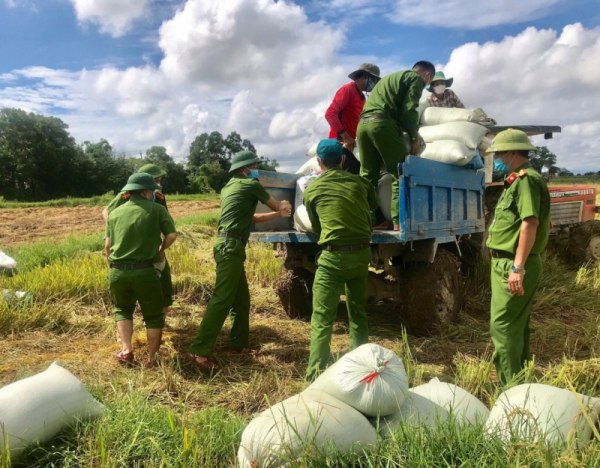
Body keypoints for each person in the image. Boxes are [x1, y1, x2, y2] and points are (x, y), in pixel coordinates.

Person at [188, 151, 292, 372]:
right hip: (230, 247)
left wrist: (276, 216)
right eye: (253, 166)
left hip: (228, 246)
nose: (255, 169)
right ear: (245, 168)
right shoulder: (251, 185)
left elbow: (251, 218)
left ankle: (239, 345)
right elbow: (277, 205)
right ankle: (198, 350)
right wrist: (283, 206)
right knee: (222, 298)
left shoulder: (229, 187)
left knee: (241, 298)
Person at [303, 139, 380, 382]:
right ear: (344, 159)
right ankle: (362, 369)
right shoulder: (361, 184)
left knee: (323, 319)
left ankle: (315, 377)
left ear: (318, 163)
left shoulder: (312, 190)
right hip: (361, 255)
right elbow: (373, 211)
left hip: (334, 258)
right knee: (358, 312)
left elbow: (316, 227)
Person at [486, 129, 550, 385]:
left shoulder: (525, 180)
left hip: (511, 264)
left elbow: (530, 223)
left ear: (513, 153)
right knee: (516, 326)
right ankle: (519, 382)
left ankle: (508, 391)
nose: (497, 157)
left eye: (500, 153)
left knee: (502, 327)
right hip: (508, 262)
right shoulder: (520, 180)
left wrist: (517, 268)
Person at [104, 172, 178, 366]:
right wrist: (161, 250)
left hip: (117, 271)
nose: (154, 193)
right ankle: (151, 359)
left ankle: (126, 351)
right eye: (152, 190)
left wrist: (113, 265)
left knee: (122, 309)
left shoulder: (115, 214)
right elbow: (172, 235)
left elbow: (107, 247)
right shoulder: (156, 209)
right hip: (145, 271)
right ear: (145, 192)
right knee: (153, 316)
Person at [357, 61, 435, 230]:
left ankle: (367, 221)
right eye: (428, 83)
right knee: (399, 172)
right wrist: (414, 136)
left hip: (362, 126)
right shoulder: (415, 79)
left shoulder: (389, 79)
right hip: (382, 124)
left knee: (367, 176)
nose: (425, 85)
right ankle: (398, 220)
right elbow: (409, 110)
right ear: (427, 75)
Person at [103, 164, 175, 321]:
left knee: (164, 280)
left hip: (152, 246)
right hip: (127, 247)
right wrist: (116, 233)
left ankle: (161, 318)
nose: (159, 181)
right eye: (156, 178)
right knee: (127, 294)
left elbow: (166, 224)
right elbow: (107, 212)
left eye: (159, 178)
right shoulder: (125, 196)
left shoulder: (160, 199)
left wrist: (161, 248)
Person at [325, 63, 381, 175]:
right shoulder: (348, 90)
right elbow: (330, 114)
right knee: (348, 179)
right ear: (365, 76)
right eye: (374, 80)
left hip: (351, 146)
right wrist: (345, 136)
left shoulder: (362, 98)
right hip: (340, 144)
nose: (374, 84)